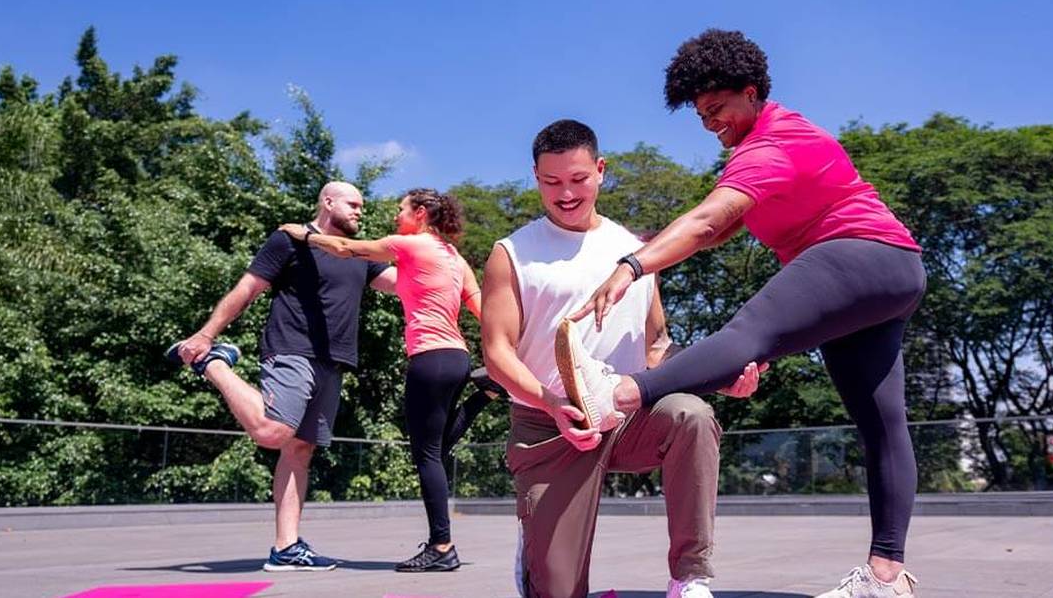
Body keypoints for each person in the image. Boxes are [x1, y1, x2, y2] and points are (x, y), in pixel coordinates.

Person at [561, 29, 926, 598]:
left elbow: (707, 222)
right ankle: (887, 578)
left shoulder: (769, 145)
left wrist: (631, 266)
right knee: (881, 423)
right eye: (701, 115)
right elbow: (721, 228)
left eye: (718, 109)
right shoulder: (774, 139)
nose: (711, 123)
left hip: (855, 255)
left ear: (751, 92)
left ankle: (619, 396)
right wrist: (645, 242)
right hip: (892, 273)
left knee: (746, 334)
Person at [480, 119, 763, 598]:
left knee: (691, 415)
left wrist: (716, 376)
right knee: (557, 590)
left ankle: (689, 577)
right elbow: (497, 352)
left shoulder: (636, 252)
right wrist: (552, 404)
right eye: (551, 183)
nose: (565, 194)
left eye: (577, 179)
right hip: (549, 422)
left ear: (601, 170)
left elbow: (658, 348)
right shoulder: (512, 254)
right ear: (535, 177)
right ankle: (538, 544)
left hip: (629, 416)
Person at [166, 181, 395, 572]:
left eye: (362, 206)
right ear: (328, 202)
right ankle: (214, 364)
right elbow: (249, 287)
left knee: (299, 450)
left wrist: (441, 266)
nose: (360, 211)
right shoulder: (291, 241)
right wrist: (206, 335)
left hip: (333, 361)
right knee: (273, 432)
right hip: (291, 348)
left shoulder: (359, 254)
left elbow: (404, 286)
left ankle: (285, 548)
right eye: (353, 204)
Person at [279, 187, 485, 572]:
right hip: (458, 357)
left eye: (401, 208)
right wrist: (507, 352)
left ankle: (441, 547)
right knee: (436, 451)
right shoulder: (454, 257)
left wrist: (304, 235)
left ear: (420, 213)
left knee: (426, 455)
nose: (395, 215)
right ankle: (483, 395)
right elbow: (482, 308)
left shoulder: (408, 244)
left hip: (429, 357)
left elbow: (343, 248)